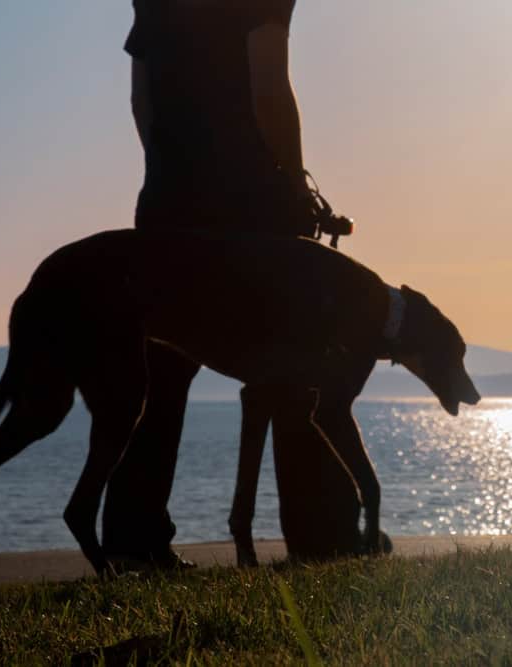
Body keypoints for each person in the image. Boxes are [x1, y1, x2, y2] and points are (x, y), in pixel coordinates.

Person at [102, 0, 350, 568]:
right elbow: (269, 87)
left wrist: (173, 175)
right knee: (294, 365)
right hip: (252, 209)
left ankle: (133, 543)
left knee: (158, 376)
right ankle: (321, 537)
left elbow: (142, 103)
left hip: (167, 203)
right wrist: (295, 186)